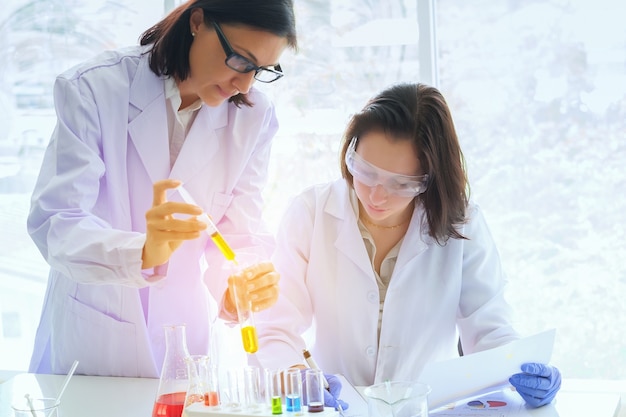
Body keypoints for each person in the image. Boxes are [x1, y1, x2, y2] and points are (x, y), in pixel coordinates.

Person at [26, 0, 297, 378]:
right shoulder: (94, 89)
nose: (245, 84)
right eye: (239, 60)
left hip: (185, 339)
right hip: (94, 337)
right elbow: (56, 223)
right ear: (198, 21)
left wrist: (236, 289)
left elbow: (240, 231)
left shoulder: (252, 116)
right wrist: (142, 252)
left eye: (261, 70)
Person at [253, 83, 561, 408]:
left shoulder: (462, 225)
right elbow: (275, 326)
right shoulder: (311, 213)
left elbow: (489, 329)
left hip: (427, 409)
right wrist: (299, 375)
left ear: (429, 178)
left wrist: (523, 371)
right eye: (366, 172)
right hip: (336, 409)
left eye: (401, 184)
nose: (376, 196)